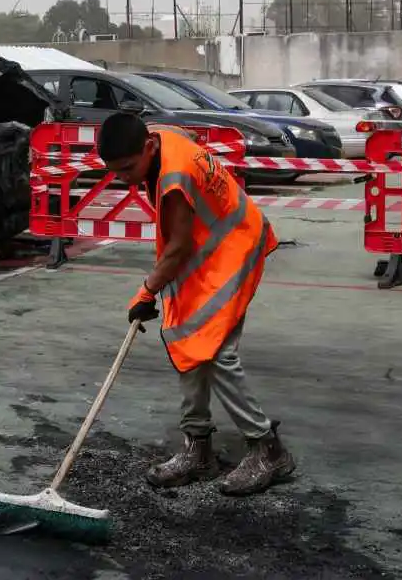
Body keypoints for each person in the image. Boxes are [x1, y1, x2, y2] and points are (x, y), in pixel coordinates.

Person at [97, 111, 296, 496]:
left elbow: (178, 247)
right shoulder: (157, 134)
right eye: (115, 171)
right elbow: (184, 134)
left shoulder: (174, 179)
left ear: (149, 148)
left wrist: (145, 291)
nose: (123, 178)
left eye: (127, 168)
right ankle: (198, 447)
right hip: (207, 253)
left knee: (216, 352)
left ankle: (267, 449)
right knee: (183, 339)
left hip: (232, 250)